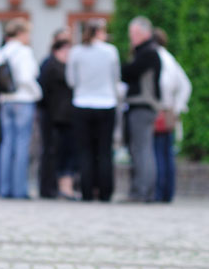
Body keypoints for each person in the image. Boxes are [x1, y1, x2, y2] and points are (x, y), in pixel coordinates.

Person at [65, 20, 120, 202]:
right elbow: (115, 78)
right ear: (99, 32)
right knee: (104, 151)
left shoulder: (76, 52)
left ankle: (87, 191)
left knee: (85, 151)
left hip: (82, 102)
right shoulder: (110, 51)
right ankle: (105, 192)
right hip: (106, 102)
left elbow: (71, 80)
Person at [0, 18, 42, 199]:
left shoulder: (1, 53)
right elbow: (26, 78)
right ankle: (20, 190)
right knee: (21, 145)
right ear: (21, 33)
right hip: (23, 100)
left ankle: (4, 189)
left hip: (5, 101)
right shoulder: (24, 52)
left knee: (6, 145)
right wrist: (38, 93)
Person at [122, 16, 161, 202]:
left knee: (142, 150)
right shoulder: (147, 51)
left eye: (136, 34)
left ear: (146, 33)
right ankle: (143, 190)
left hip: (143, 105)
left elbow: (129, 72)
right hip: (142, 105)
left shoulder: (148, 53)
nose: (132, 38)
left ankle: (142, 191)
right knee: (142, 149)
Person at [152, 28, 191, 203]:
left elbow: (164, 83)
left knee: (158, 152)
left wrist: (166, 102)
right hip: (169, 109)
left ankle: (160, 192)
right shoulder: (170, 58)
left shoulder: (158, 57)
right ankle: (167, 192)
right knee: (166, 152)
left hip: (160, 108)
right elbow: (185, 85)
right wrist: (178, 107)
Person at [39, 34, 78, 200]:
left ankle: (63, 187)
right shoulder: (50, 65)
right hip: (52, 116)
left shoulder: (68, 66)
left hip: (66, 117)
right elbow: (43, 91)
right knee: (51, 152)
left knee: (65, 153)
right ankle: (49, 188)